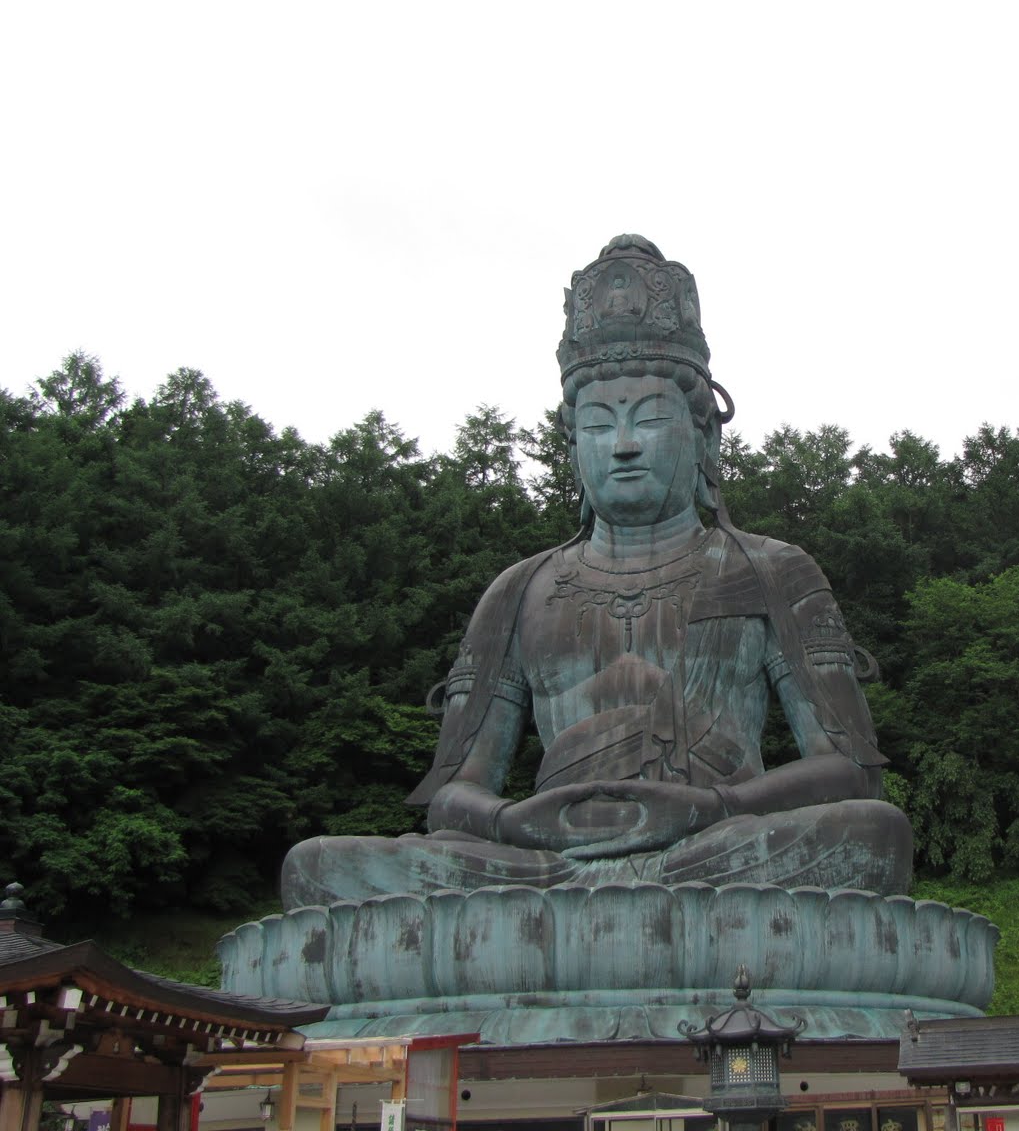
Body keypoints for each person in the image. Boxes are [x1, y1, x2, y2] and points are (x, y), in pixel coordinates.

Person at [280, 236, 912, 908]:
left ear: (704, 437)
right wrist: (507, 820)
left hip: (720, 842)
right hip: (543, 858)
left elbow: (849, 773)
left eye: (650, 419)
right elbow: (452, 792)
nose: (626, 444)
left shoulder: (773, 570)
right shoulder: (520, 590)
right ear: (574, 444)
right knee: (316, 866)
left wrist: (713, 808)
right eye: (600, 424)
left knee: (874, 834)